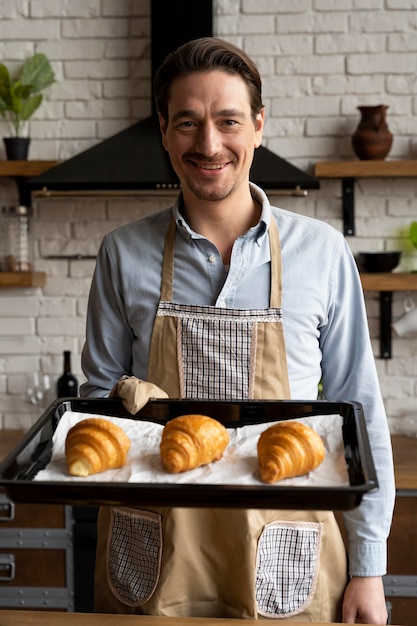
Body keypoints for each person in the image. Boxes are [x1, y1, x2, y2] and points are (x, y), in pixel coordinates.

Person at [80, 37, 395, 623]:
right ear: (163, 131)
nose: (208, 144)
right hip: (157, 548)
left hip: (288, 543)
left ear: (257, 126)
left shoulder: (321, 252)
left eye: (228, 121)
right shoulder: (122, 254)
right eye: (187, 123)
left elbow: (362, 413)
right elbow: (98, 403)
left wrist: (369, 568)